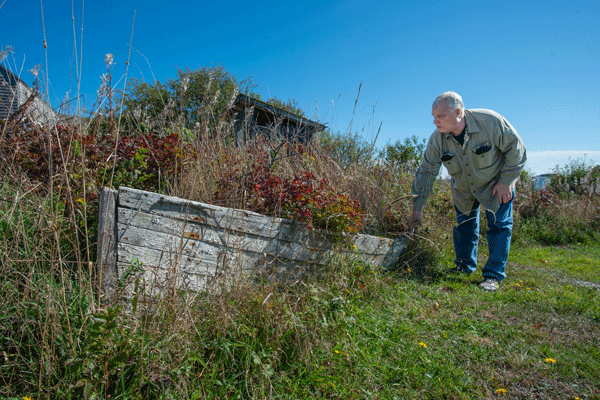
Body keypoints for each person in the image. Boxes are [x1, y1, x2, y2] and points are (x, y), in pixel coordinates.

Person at [409, 92, 526, 291]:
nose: (436, 122)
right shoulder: (437, 140)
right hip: (463, 190)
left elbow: (517, 150)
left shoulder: (490, 122)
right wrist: (416, 208)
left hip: (496, 185)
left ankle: (493, 276)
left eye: (441, 117)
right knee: (465, 228)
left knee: (499, 227)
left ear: (458, 112)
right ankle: (464, 266)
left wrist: (506, 181)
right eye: (433, 117)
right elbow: (426, 172)